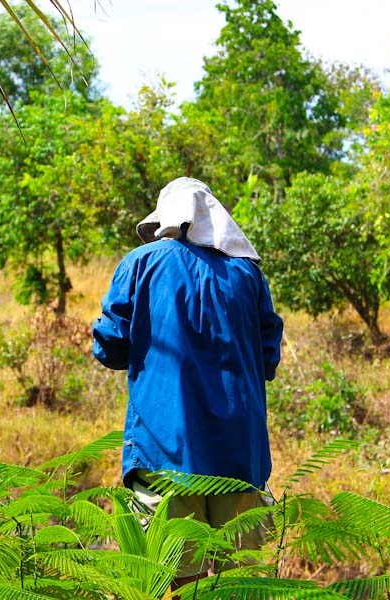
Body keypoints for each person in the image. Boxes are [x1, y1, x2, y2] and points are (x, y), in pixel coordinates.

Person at [91, 177, 284, 589]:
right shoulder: (248, 276)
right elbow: (268, 357)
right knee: (241, 582)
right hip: (240, 458)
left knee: (177, 578)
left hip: (165, 452)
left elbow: (109, 346)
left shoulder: (141, 264)